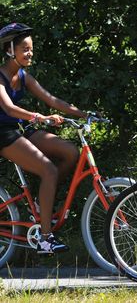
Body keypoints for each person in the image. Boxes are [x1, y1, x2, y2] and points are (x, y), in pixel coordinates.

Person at [0, 22, 87, 254]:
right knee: (48, 170)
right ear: (10, 50)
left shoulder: (23, 75)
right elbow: (8, 109)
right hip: (3, 133)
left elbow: (52, 99)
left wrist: (85, 114)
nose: (30, 53)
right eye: (25, 49)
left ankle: (41, 204)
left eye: (31, 49)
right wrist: (38, 117)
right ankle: (45, 238)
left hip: (20, 128)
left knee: (70, 153)